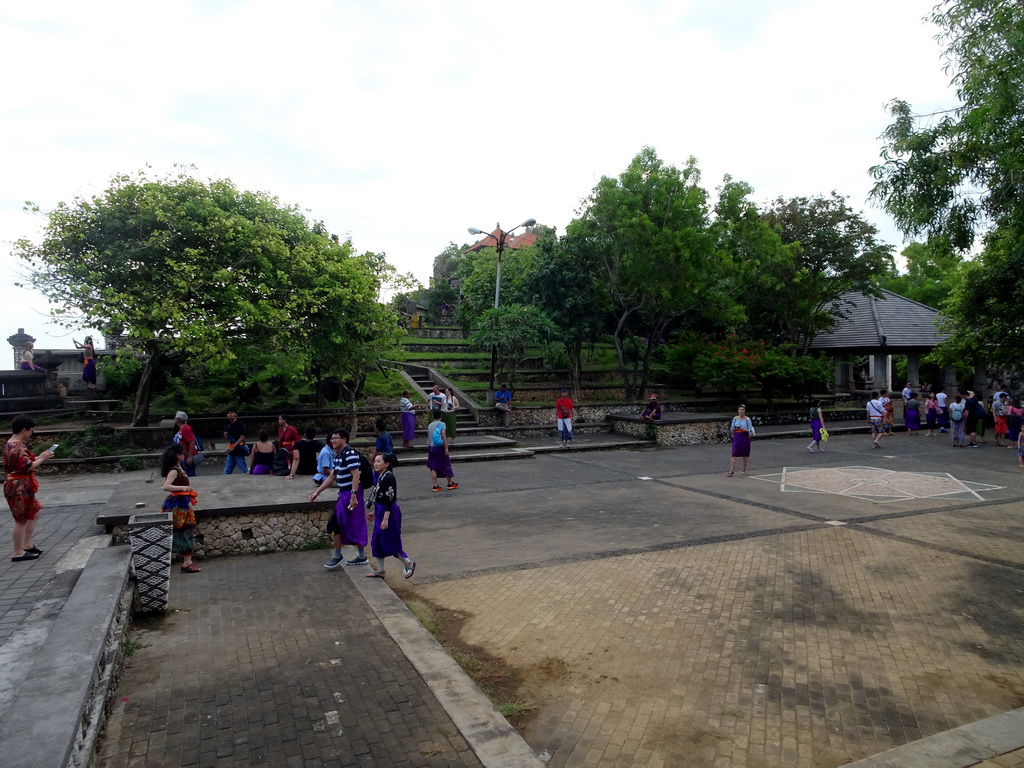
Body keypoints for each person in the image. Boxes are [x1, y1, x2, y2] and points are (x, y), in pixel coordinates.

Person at [311, 428, 369, 568]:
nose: (333, 441)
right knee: (347, 523)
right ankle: (360, 555)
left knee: (344, 523)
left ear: (344, 439)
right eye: (332, 438)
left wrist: (354, 495)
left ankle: (339, 555)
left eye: (336, 438)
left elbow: (356, 475)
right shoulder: (337, 455)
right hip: (344, 494)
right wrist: (317, 492)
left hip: (350, 494)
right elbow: (332, 476)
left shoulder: (349, 453)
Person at [5, 414, 54, 562]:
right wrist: (42, 459)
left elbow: (25, 462)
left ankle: (26, 544)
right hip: (18, 485)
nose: (31, 434)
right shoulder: (18, 446)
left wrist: (39, 457)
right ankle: (18, 552)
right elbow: (27, 466)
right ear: (24, 430)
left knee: (35, 511)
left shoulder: (11, 443)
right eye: (31, 430)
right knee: (21, 519)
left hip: (19, 483)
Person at [364, 453, 416, 579]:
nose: (375, 464)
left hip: (389, 513)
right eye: (374, 461)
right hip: (381, 511)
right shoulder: (381, 476)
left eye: (378, 461)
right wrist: (376, 513)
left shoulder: (388, 478)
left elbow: (390, 499)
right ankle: (381, 570)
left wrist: (385, 518)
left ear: (386, 464)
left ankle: (408, 563)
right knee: (377, 540)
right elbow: (380, 498)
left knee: (391, 540)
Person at [160, 443, 201, 573]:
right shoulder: (174, 470)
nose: (184, 455)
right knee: (184, 531)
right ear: (178, 456)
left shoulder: (177, 468)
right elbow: (165, 486)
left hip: (182, 503)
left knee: (186, 530)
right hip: (178, 504)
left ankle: (187, 562)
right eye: (182, 453)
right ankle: (186, 563)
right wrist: (182, 488)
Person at [426, 408, 458, 492]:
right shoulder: (442, 424)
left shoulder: (430, 425)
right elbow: (443, 436)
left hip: (432, 448)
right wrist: (446, 448)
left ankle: (435, 485)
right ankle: (450, 483)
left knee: (433, 466)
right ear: (441, 415)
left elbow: (428, 438)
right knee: (446, 464)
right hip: (439, 447)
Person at [728, 405, 755, 476]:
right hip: (737, 436)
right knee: (734, 453)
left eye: (743, 410)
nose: (741, 411)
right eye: (740, 410)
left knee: (745, 454)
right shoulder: (735, 418)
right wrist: (735, 428)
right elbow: (731, 428)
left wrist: (744, 430)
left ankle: (744, 469)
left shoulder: (747, 419)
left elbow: (750, 430)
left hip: (745, 436)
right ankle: (731, 470)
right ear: (738, 411)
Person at [222, 409, 248, 475]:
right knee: (226, 471)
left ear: (236, 414)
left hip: (239, 449)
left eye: (232, 413)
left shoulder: (240, 424)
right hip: (232, 450)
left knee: (243, 470)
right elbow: (230, 437)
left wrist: (233, 447)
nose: (230, 415)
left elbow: (242, 437)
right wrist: (226, 436)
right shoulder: (229, 426)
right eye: (228, 413)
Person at [173, 411, 199, 477]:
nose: (174, 419)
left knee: (190, 473)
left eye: (175, 418)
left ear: (178, 419)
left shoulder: (186, 429)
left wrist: (189, 457)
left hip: (187, 456)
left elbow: (192, 441)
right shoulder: (181, 429)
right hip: (183, 455)